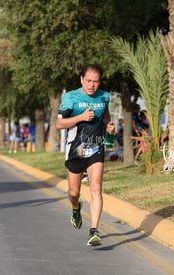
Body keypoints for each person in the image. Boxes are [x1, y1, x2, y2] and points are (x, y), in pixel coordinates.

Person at [56, 64, 116, 246]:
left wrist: (109, 125)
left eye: (96, 81)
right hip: (75, 150)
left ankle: (94, 231)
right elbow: (59, 124)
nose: (92, 85)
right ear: (82, 79)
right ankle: (76, 207)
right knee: (74, 192)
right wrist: (80, 117)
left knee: (96, 188)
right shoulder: (70, 98)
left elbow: (105, 114)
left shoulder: (104, 97)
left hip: (96, 148)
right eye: (89, 81)